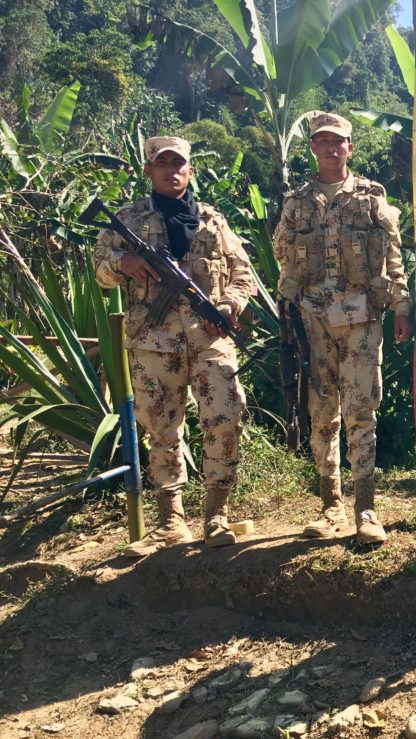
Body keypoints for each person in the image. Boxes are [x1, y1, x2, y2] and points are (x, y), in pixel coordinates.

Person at [94, 136, 254, 557]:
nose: (171, 170)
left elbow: (243, 272)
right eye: (162, 164)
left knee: (224, 419)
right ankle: (170, 522)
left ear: (191, 169)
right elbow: (99, 272)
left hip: (210, 340)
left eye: (178, 163)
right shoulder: (126, 221)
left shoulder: (213, 221)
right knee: (161, 431)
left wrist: (228, 303)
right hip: (153, 342)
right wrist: (121, 264)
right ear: (148, 171)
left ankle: (216, 515)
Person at [274, 112, 412, 546]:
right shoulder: (296, 202)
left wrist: (402, 304)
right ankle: (330, 504)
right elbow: (282, 251)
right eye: (323, 142)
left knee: (361, 409)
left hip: (361, 319)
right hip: (314, 320)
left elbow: (393, 255)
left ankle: (365, 509)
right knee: (321, 412)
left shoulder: (371, 196)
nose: (331, 149)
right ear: (313, 148)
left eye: (339, 142)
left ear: (351, 147)